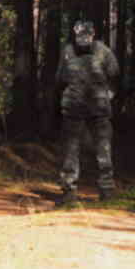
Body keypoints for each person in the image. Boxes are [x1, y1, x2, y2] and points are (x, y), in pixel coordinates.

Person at [56, 19, 119, 205]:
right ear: (75, 35)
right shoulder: (67, 52)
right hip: (73, 109)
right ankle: (68, 192)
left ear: (93, 34)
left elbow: (115, 76)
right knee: (70, 151)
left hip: (98, 110)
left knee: (103, 150)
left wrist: (107, 96)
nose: (83, 39)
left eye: (87, 35)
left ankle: (107, 192)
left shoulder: (104, 51)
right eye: (80, 35)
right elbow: (60, 79)